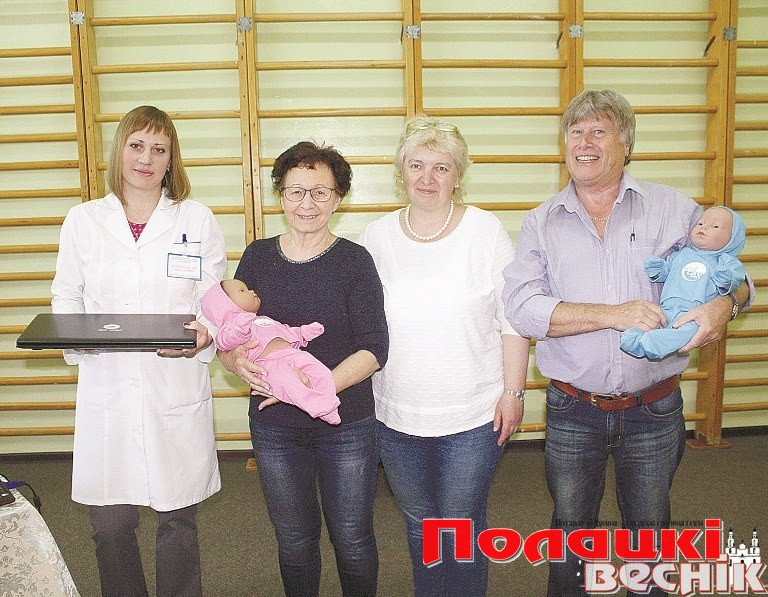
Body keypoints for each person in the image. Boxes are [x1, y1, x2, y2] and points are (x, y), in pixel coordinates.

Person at [502, 89, 753, 597]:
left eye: (599, 131)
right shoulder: (541, 222)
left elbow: (740, 278)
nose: (584, 142)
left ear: (627, 144)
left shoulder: (673, 209)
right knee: (571, 530)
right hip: (573, 407)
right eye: (575, 132)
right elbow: (523, 308)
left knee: (651, 533)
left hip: (653, 408)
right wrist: (611, 314)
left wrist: (725, 305)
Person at [51, 105, 226, 596]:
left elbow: (213, 299)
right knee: (110, 525)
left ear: (172, 159)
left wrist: (205, 333)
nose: (146, 159)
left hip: (173, 381)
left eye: (158, 149)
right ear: (120, 151)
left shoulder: (195, 218)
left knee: (178, 521)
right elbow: (66, 295)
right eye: (136, 146)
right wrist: (80, 344)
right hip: (108, 384)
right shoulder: (84, 220)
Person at [358, 114, 531, 596]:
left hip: (474, 414)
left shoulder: (484, 230)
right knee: (420, 523)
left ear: (458, 174)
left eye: (441, 167)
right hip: (396, 414)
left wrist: (514, 392)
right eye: (417, 165)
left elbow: (513, 319)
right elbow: (357, 321)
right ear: (401, 172)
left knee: (459, 523)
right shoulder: (376, 236)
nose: (427, 177)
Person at [217, 141, 388, 597]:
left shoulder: (355, 260)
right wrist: (234, 361)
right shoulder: (257, 256)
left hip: (347, 422)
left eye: (320, 192)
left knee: (352, 539)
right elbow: (230, 332)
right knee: (294, 539)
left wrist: (312, 388)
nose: (307, 203)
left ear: (338, 197)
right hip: (275, 426)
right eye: (295, 191)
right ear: (281, 196)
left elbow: (375, 348)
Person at [201, 279, 340, 424]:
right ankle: (320, 408)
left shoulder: (263, 320)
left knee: (322, 373)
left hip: (293, 354)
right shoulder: (229, 327)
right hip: (269, 365)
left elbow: (284, 331)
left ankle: (329, 406)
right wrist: (240, 325)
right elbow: (225, 342)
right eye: (242, 290)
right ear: (226, 305)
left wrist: (303, 332)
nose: (252, 291)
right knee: (290, 384)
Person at [621, 206, 746, 360]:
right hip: (667, 306)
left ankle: (657, 344)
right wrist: (658, 269)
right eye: (700, 223)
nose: (704, 228)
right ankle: (637, 340)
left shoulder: (726, 261)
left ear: (733, 239)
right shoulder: (682, 254)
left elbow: (736, 279)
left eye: (715, 226)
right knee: (653, 322)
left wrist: (726, 279)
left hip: (695, 313)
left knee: (688, 332)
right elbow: (666, 271)